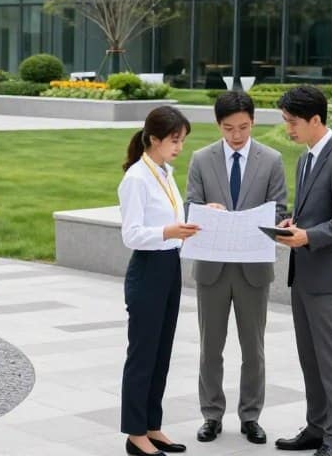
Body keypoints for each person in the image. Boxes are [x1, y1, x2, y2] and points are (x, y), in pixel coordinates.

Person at [185, 91, 288, 446]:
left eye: (243, 127)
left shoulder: (271, 160)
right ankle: (211, 415)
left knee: (253, 348)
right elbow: (189, 207)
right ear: (218, 125)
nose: (237, 135)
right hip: (212, 268)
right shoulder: (201, 159)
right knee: (210, 347)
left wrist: (263, 219)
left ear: (253, 122)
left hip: (253, 269)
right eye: (229, 128)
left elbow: (280, 211)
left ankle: (251, 416)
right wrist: (204, 211)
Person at [274, 86, 332, 456]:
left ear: (315, 120)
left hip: (329, 279)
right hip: (304, 274)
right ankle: (317, 428)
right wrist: (294, 223)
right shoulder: (306, 158)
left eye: (292, 122)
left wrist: (308, 235)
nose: (288, 129)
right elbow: (316, 210)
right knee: (310, 359)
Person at [118, 106, 199, 456]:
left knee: (161, 353)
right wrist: (169, 231)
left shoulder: (164, 173)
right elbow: (132, 235)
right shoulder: (136, 178)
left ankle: (152, 426)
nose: (179, 147)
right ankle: (135, 435)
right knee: (143, 355)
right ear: (154, 139)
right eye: (174, 140)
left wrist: (197, 216)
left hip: (170, 267)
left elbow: (170, 216)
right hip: (148, 269)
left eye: (182, 140)